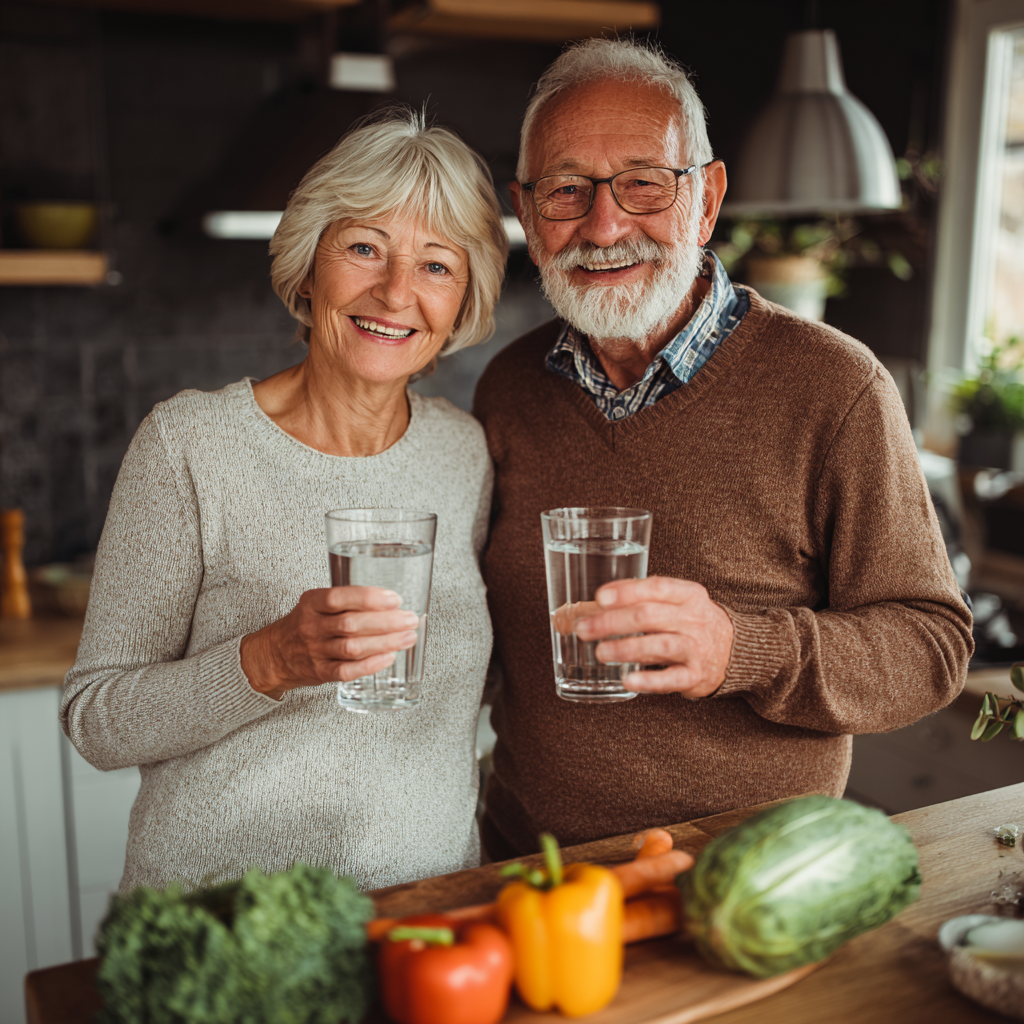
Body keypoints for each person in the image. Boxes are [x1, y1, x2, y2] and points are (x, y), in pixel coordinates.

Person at [473, 38, 973, 860]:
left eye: (642, 184)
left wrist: (742, 649)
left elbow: (932, 646)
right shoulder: (507, 387)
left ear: (705, 201)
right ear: (527, 214)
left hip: (745, 879)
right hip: (531, 865)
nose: (604, 225)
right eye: (567, 191)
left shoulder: (835, 388)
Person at [61, 109, 507, 892]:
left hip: (428, 918)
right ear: (308, 268)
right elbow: (97, 719)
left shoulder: (463, 451)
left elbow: (465, 685)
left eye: (437, 265)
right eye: (364, 248)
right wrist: (266, 661)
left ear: (464, 300)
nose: (396, 292)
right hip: (229, 926)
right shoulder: (190, 444)